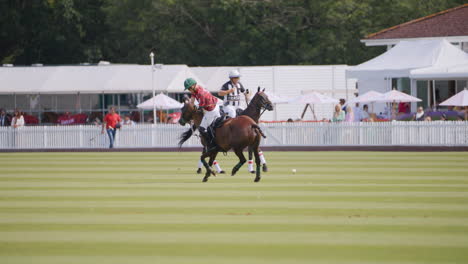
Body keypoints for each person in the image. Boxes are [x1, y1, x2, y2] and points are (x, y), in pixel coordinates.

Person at [184, 78, 220, 150]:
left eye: (189, 88)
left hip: (211, 110)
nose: (189, 90)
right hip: (212, 107)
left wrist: (194, 108)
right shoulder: (196, 89)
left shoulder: (201, 93)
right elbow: (192, 101)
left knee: (202, 128)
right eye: (188, 89)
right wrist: (189, 103)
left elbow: (201, 108)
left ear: (194, 85)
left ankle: (211, 144)